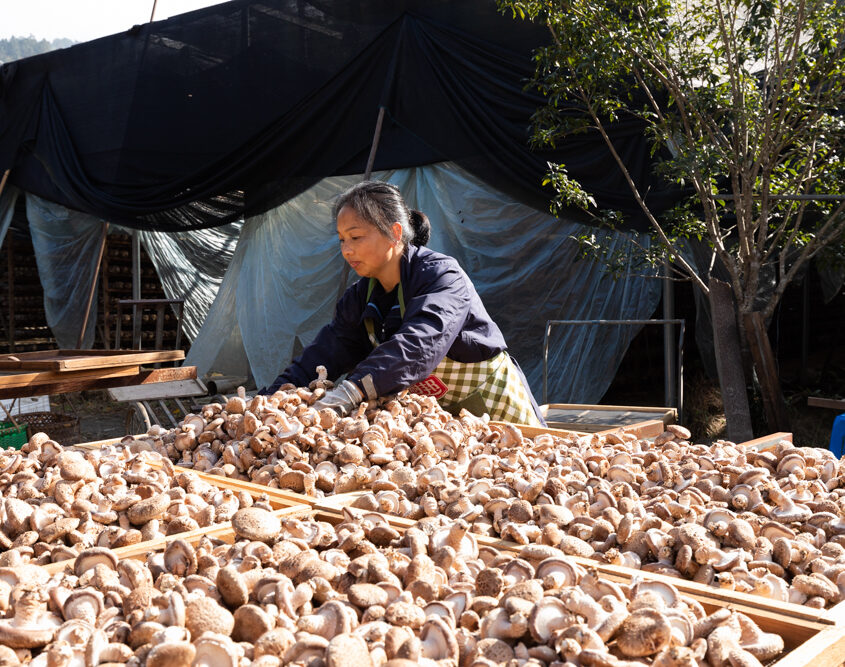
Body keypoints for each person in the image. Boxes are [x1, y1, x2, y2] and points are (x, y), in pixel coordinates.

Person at [260, 180, 544, 426]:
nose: (347, 250)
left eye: (356, 237)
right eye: (342, 240)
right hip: (443, 424)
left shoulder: (441, 275)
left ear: (395, 232)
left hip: (499, 410)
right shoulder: (360, 298)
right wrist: (267, 400)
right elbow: (326, 352)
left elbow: (419, 342)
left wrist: (353, 390)